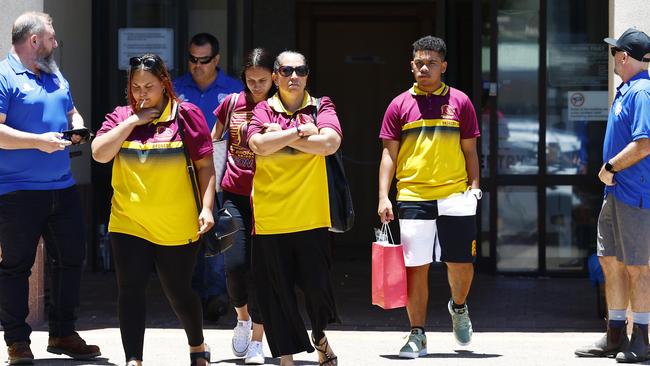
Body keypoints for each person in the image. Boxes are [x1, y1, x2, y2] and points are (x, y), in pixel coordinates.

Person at [91, 53, 214, 366]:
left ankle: (197, 345)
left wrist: (208, 207)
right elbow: (100, 154)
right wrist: (132, 121)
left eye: (149, 86)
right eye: (135, 87)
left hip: (177, 223)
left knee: (178, 292)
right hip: (128, 222)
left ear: (164, 83)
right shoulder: (120, 116)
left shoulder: (186, 115)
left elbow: (204, 167)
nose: (141, 93)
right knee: (130, 290)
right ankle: (134, 359)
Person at [0, 11, 101, 365]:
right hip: (17, 192)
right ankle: (16, 342)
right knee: (15, 267)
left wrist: (79, 125)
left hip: (63, 186)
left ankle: (62, 332)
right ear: (33, 41)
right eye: (51, 38)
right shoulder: (3, 76)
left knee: (71, 258)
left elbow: (71, 111)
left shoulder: (55, 73)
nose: (56, 43)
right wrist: (36, 142)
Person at [377, 35, 481, 359]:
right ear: (411, 65)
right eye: (419, 62)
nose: (425, 68)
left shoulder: (461, 102)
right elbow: (388, 156)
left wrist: (475, 188)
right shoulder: (398, 105)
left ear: (443, 66)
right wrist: (384, 196)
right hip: (412, 195)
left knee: (461, 264)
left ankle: (459, 307)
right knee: (415, 267)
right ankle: (417, 334)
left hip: (456, 195)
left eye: (431, 63)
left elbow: (471, 150)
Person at [248, 50, 341, 366]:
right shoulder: (263, 109)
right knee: (277, 296)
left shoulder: (321, 105)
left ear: (306, 76)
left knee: (318, 292)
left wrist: (281, 137)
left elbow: (329, 144)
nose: (294, 76)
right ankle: (286, 360)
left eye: (300, 70)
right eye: (286, 70)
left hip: (312, 217)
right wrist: (302, 132)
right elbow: (258, 145)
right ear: (275, 76)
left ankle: (319, 336)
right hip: (271, 219)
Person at [574, 27, 650, 364]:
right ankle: (615, 334)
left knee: (638, 267)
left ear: (623, 56)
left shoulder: (642, 92)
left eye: (614, 53)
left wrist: (611, 167)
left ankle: (643, 339)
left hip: (635, 194)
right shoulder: (627, 91)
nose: (614, 59)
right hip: (616, 193)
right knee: (610, 261)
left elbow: (645, 143)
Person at [210, 48, 276, 364]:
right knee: (234, 265)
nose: (256, 86)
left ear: (274, 78)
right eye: (250, 80)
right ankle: (242, 318)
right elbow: (215, 144)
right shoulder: (232, 103)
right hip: (235, 193)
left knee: (263, 270)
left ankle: (257, 341)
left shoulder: (280, 107)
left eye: (262, 80)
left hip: (272, 197)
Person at [173, 32, 243, 320]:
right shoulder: (175, 89)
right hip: (181, 174)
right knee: (186, 236)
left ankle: (215, 296)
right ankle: (188, 296)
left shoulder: (235, 91)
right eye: (192, 59)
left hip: (220, 172)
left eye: (204, 60)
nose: (197, 65)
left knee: (215, 232)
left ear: (216, 59)